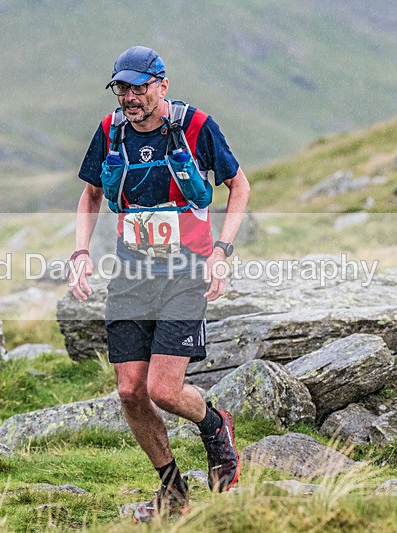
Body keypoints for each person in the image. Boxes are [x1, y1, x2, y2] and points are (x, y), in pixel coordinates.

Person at [68, 45, 251, 522]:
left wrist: (221, 252)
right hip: (131, 276)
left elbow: (239, 186)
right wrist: (81, 253)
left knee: (164, 390)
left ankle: (215, 425)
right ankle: (173, 491)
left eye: (139, 88)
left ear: (162, 85)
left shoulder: (197, 126)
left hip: (185, 273)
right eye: (121, 88)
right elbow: (90, 195)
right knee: (130, 391)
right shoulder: (110, 131)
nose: (130, 98)